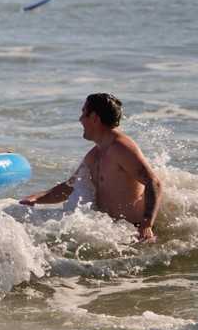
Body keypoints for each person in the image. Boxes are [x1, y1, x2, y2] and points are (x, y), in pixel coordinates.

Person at [19, 93, 162, 241]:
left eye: (83, 113)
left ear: (94, 117)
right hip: (110, 233)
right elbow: (70, 187)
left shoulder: (121, 149)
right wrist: (37, 198)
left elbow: (154, 182)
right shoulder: (94, 155)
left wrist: (146, 225)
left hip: (136, 233)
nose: (80, 119)